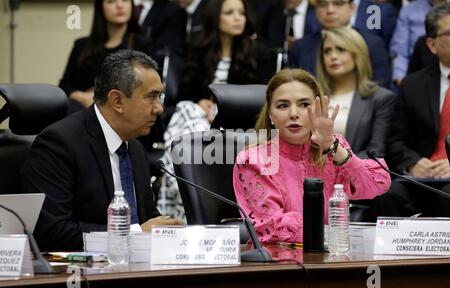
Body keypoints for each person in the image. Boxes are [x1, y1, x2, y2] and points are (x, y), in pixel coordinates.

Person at [22, 50, 181, 251]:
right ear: (117, 101)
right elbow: (53, 232)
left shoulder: (135, 148)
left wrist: (170, 231)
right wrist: (134, 234)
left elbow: (146, 220)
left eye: (160, 96)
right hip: (81, 275)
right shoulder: (59, 144)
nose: (159, 108)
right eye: (152, 97)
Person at [232, 68, 391, 244]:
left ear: (319, 109)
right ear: (270, 115)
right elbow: (270, 228)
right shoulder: (253, 160)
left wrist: (331, 146)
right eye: (283, 105)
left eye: (304, 104)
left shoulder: (333, 149)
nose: (294, 113)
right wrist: (331, 234)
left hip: (330, 259)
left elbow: (377, 185)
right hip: (278, 262)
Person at [157, 0, 269, 220]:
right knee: (187, 110)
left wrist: (222, 110)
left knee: (189, 117)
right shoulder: (199, 51)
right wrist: (201, 104)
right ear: (216, 17)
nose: (238, 18)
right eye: (229, 13)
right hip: (198, 119)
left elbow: (259, 100)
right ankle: (190, 180)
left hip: (237, 124)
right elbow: (184, 98)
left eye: (241, 13)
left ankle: (184, 185)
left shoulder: (257, 53)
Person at [382, 3, 450, 217]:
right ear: (431, 44)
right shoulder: (412, 85)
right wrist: (412, 163)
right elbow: (395, 141)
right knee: (388, 193)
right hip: (423, 176)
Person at [316, 27, 396, 158]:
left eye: (341, 49)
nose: (333, 56)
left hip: (355, 174)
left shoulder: (381, 98)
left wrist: (343, 165)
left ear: (358, 54)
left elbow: (375, 151)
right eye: (327, 51)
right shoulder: (314, 97)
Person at [59, 0, 149, 115]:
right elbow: (65, 86)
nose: (119, 5)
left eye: (125, 0)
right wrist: (82, 97)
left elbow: (147, 88)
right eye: (111, 1)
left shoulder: (143, 45)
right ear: (100, 7)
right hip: (83, 110)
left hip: (124, 111)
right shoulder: (82, 45)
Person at [289, 0, 391, 88]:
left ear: (352, 8)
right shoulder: (301, 47)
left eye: (337, 3)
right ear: (315, 10)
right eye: (323, 4)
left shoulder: (372, 44)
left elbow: (381, 90)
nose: (330, 10)